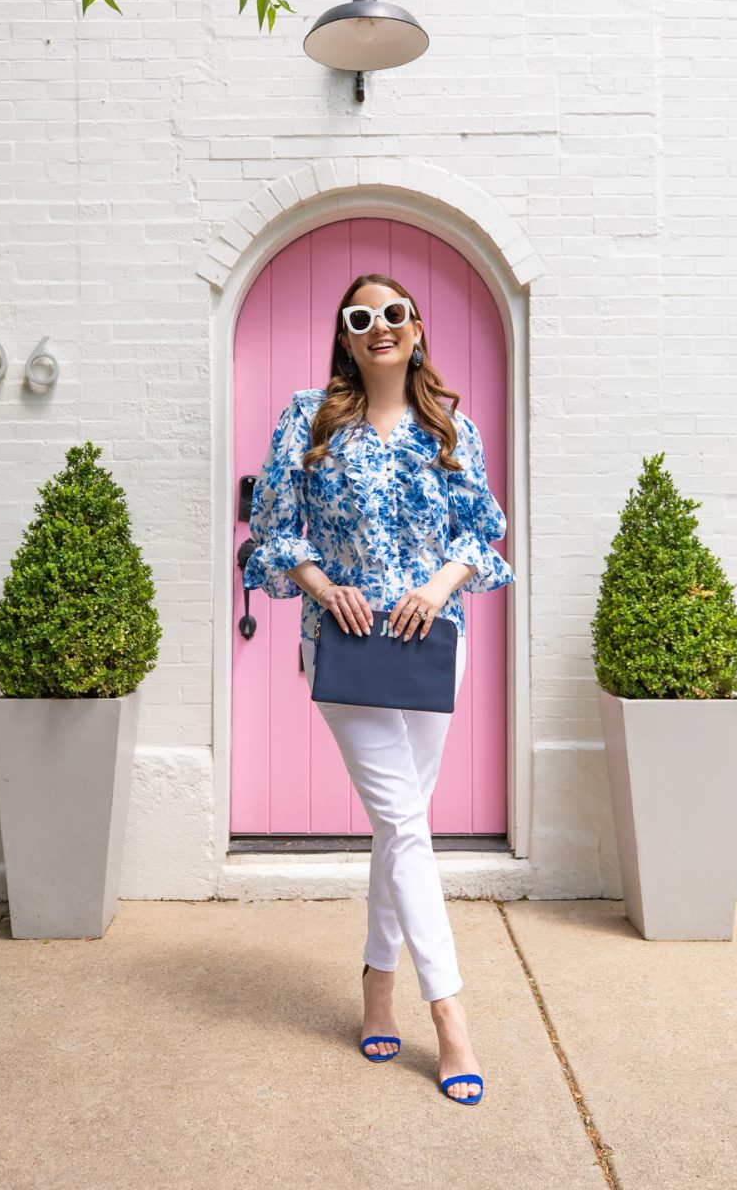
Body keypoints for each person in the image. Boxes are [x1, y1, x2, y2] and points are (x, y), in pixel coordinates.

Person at [243, 273, 514, 1106]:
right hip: (348, 647)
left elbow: (484, 528)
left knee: (404, 833)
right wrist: (325, 589)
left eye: (393, 313)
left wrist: (438, 587)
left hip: (432, 644)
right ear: (346, 338)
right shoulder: (309, 417)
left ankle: (377, 984)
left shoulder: (448, 425)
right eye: (360, 318)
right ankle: (452, 1015)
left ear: (416, 327)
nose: (379, 327)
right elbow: (275, 530)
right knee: (402, 820)